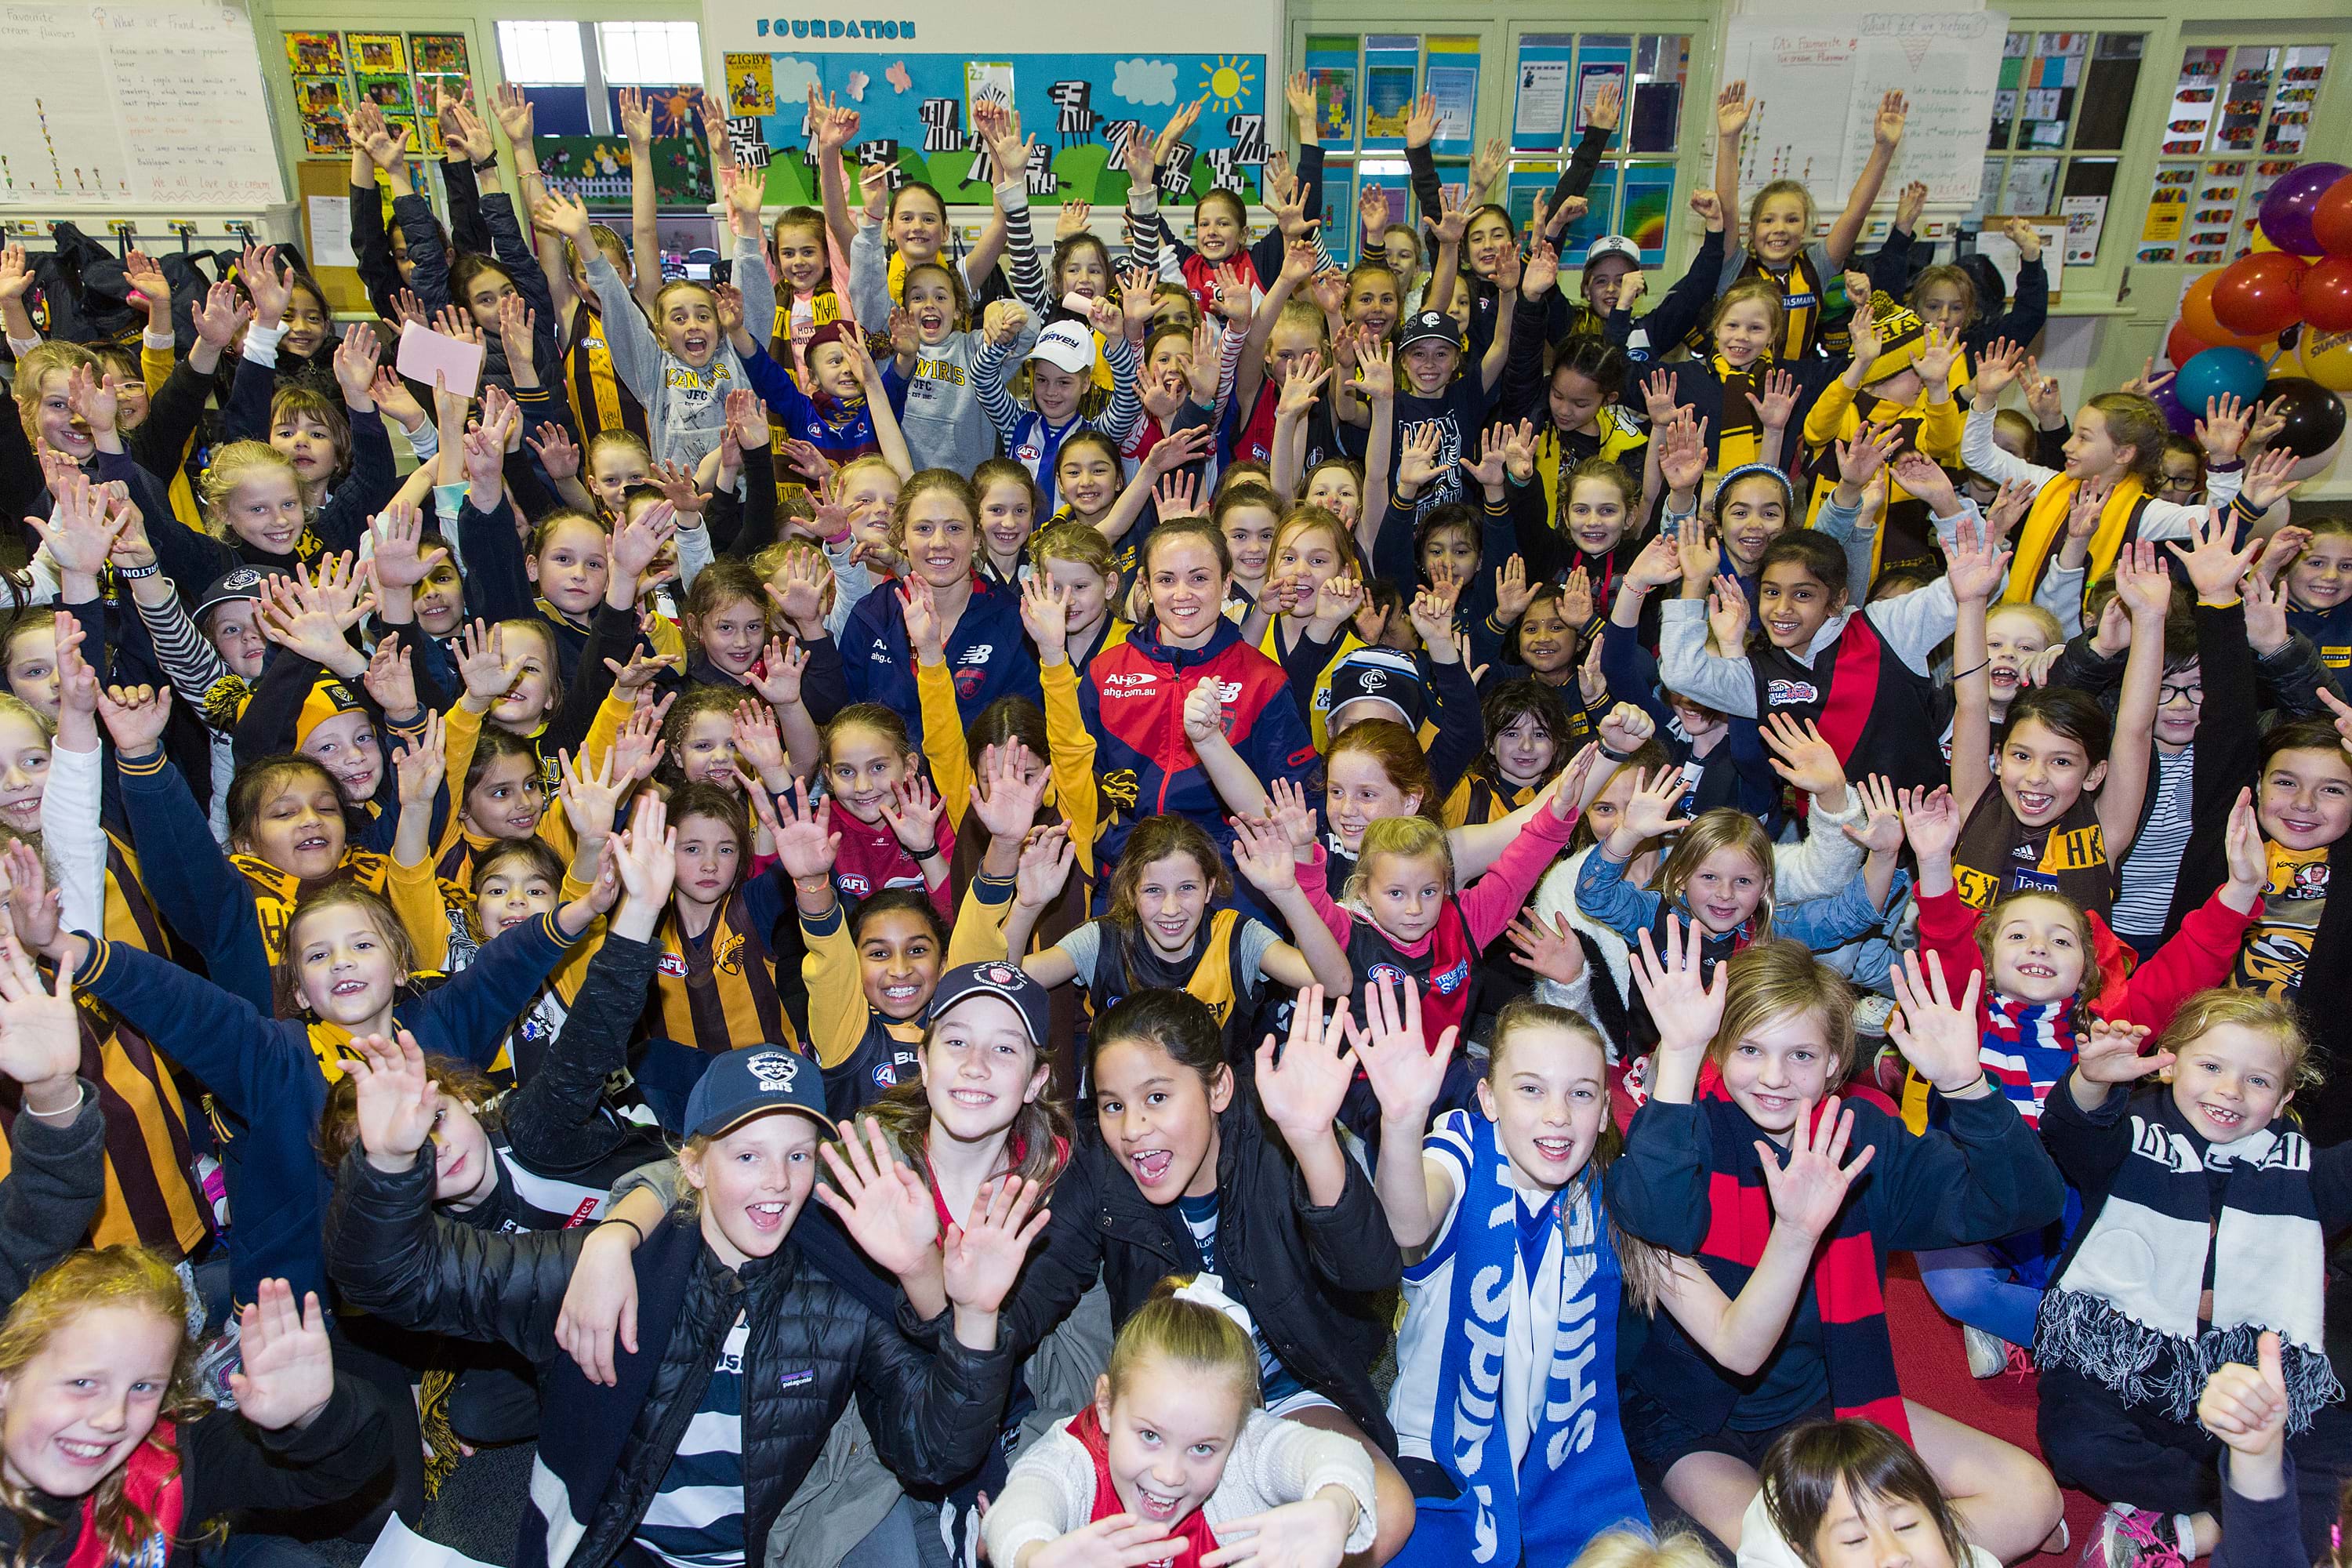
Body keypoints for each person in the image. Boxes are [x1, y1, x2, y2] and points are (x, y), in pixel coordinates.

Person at [325, 1031, 1031, 1568]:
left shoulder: (836, 1291)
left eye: (797, 1154)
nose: (778, 1183)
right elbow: (387, 1277)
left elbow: (933, 1453)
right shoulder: (605, 1270)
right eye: (746, 1155)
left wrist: (973, 1317)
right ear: (691, 1164)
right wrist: (387, 1165)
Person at [1609, 927, 2065, 1559]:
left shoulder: (1862, 1137)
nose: (1773, 1076)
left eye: (1801, 1055)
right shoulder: (1690, 1134)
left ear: (1833, 1064)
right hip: (1694, 1421)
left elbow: (2023, 1202)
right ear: (1722, 1053)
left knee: (2032, 1498)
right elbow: (1652, 1218)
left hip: (1830, 1396)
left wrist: (1966, 1085)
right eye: (1750, 1049)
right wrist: (1681, 1056)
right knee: (1792, 1556)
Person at [2037, 989, 2352, 1563]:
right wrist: (2092, 1082)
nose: (2230, 1090)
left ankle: (2198, 1525)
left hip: (2246, 1382)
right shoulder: (2130, 1131)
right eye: (2211, 1066)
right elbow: (2073, 1134)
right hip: (2121, 1366)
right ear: (2171, 1063)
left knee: (2341, 1469)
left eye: (2258, 1081)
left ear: (2282, 1101)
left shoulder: (2300, 1169)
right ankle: (2238, 1505)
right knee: (2077, 1444)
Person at [0, 1252, 390, 1568]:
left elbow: (334, 1476)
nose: (113, 1418)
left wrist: (314, 1415)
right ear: (7, 1382)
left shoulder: (167, 1455)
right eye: (82, 1383)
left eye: (142, 1387)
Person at [980, 1276, 1379, 1568]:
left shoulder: (1242, 1446)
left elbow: (1333, 1453)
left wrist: (1335, 1505)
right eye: (1150, 1435)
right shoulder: (1075, 1455)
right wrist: (1036, 1558)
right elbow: (1025, 1501)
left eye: (1202, 1448)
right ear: (1106, 1404)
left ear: (1237, 1430)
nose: (1170, 1475)